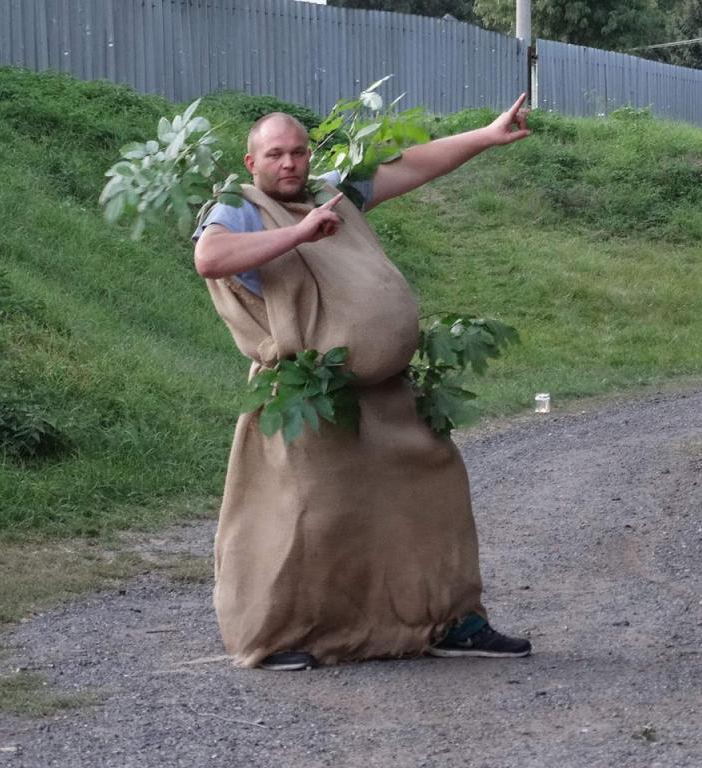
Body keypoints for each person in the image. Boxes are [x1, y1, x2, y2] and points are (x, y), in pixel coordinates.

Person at [192, 94, 532, 671]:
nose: (290, 164)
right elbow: (210, 257)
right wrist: (298, 234)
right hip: (307, 391)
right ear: (251, 163)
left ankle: (450, 621)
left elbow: (410, 165)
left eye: (298, 152)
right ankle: (276, 636)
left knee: (433, 489)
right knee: (304, 516)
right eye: (275, 154)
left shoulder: (331, 192)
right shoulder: (238, 207)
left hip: (384, 394)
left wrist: (485, 135)